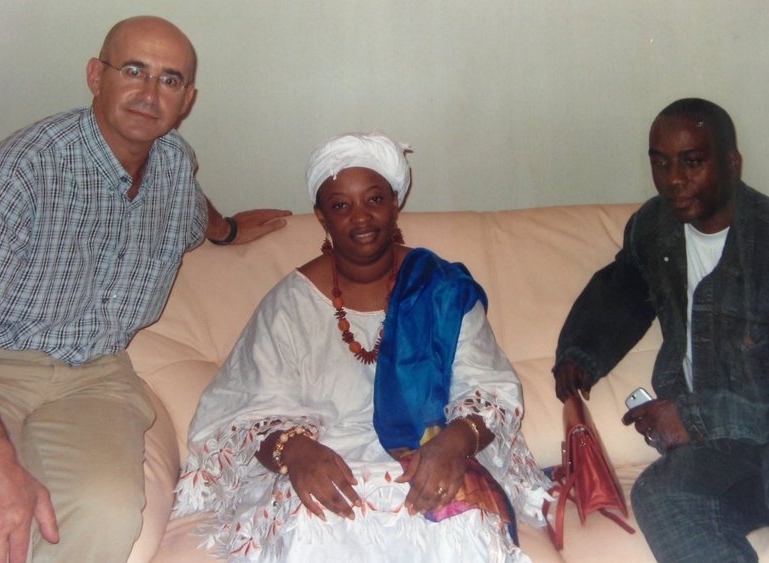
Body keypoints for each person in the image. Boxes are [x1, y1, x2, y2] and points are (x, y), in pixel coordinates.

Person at [0, 15, 290, 563]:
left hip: (97, 374)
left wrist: (230, 230)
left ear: (187, 99)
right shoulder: (19, 171)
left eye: (169, 80)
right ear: (97, 75)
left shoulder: (172, 164)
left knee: (111, 511)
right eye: (134, 70)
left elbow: (195, 213)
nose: (149, 93)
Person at [174, 132, 551, 562]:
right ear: (321, 217)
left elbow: (491, 388)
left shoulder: (439, 288)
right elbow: (242, 408)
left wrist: (454, 443)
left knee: (458, 520)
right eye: (341, 205)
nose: (361, 217)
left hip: (430, 450)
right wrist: (295, 451)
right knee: (313, 526)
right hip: (327, 461)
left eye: (374, 200)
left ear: (395, 203)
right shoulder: (292, 303)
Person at [553, 98, 769, 562]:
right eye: (660, 163)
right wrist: (580, 353)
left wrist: (692, 417)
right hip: (728, 455)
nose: (674, 180)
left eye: (692, 162)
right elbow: (625, 287)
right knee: (662, 493)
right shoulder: (655, 228)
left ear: (732, 164)